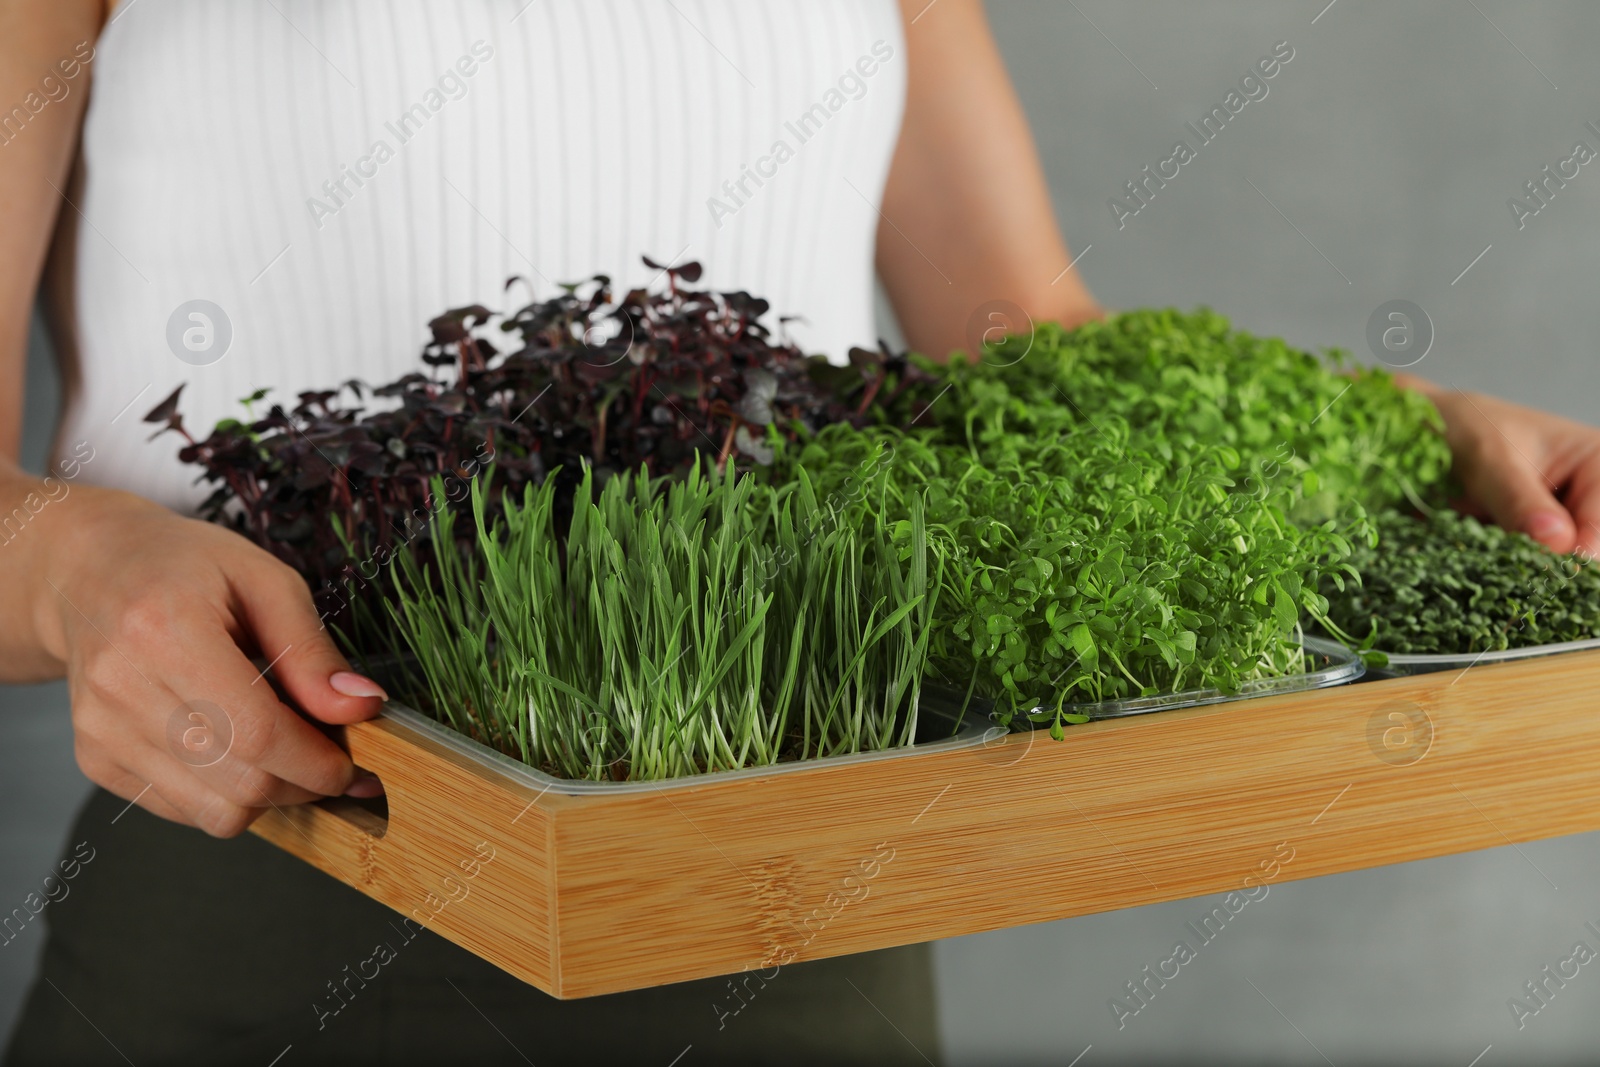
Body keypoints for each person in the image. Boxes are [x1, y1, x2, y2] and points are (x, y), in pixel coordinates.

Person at [2, 1, 1598, 1064]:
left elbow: (1030, 347)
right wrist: (75, 574)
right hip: (268, 880)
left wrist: (1408, 433)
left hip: (803, 897)